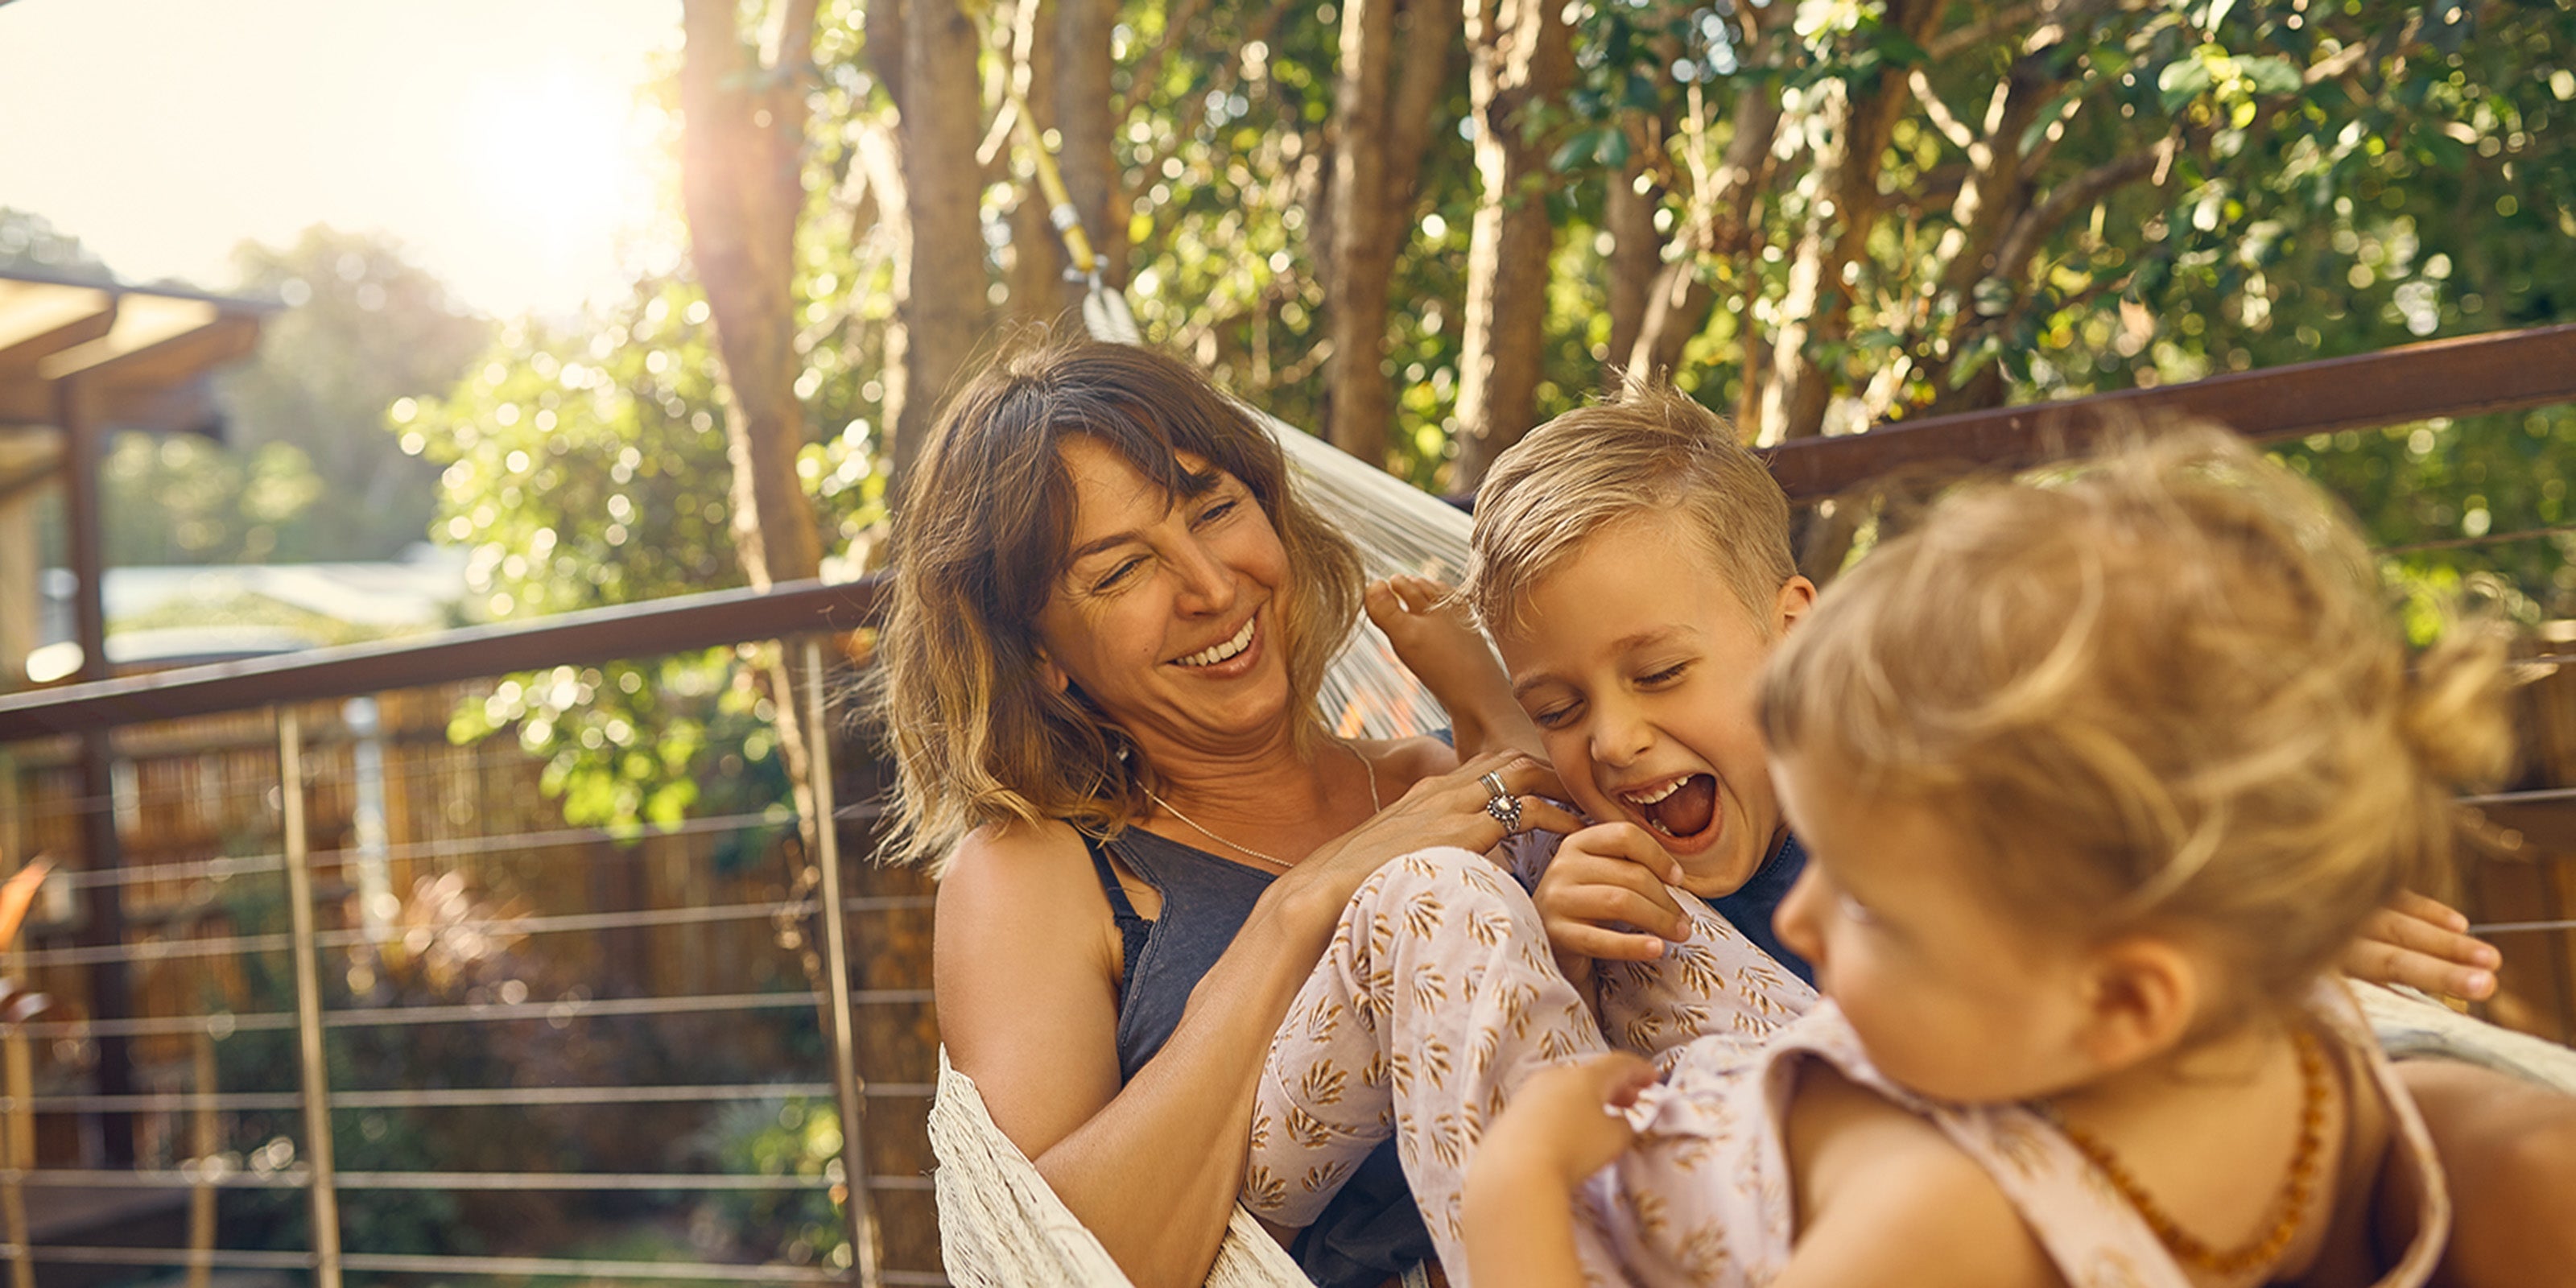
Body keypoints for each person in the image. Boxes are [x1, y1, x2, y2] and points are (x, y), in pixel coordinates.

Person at [1254, 429, 2499, 1286]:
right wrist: (1561, 933)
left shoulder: (1936, 850)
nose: (1620, 738)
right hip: (1663, 1177)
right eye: (1564, 706)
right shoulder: (1619, 860)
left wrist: (2259, 914)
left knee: (1464, 890)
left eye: (1661, 671)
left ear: (1794, 632)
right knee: (1491, 885)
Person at [873, 339, 1575, 1288]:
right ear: (1039, 654)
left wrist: (1492, 712)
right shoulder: (1038, 873)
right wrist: (1303, 906)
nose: (1208, 588)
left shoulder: (1437, 785)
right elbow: (1052, 1268)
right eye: (1121, 571)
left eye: (1215, 510)